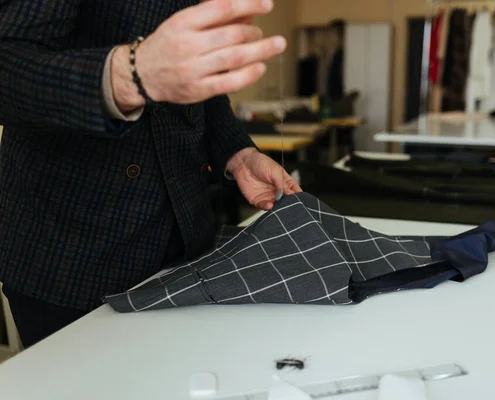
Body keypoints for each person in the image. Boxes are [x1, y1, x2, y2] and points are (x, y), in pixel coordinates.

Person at [0, 0, 301, 348]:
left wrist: (237, 152)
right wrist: (129, 76)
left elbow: (198, 87)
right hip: (73, 255)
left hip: (188, 250)